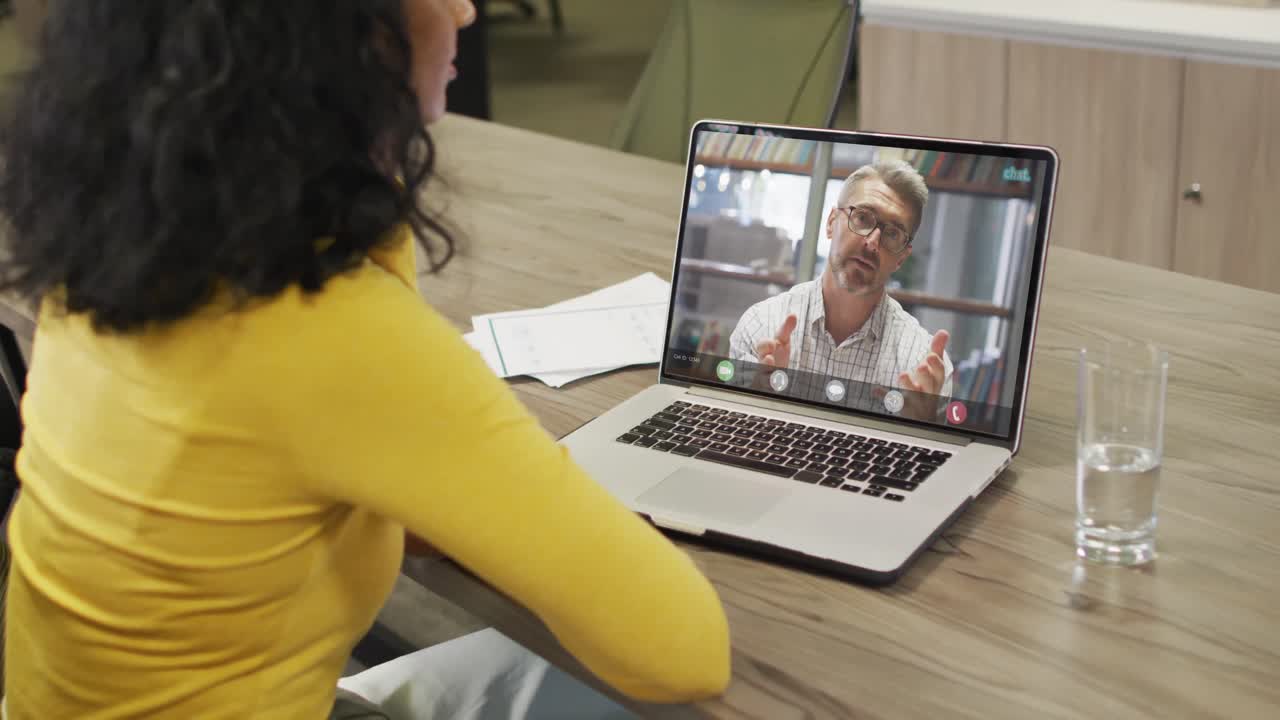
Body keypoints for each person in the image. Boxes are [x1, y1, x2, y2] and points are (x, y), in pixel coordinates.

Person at [0, 1, 730, 718]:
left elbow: (395, 507)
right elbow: (683, 651)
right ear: (337, 34)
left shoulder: (117, 255)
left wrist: (372, 168)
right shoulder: (324, 330)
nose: (465, 13)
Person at [728, 161, 953, 418]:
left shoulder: (924, 370)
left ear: (901, 257)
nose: (872, 242)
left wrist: (919, 431)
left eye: (892, 234)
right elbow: (731, 435)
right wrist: (757, 402)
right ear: (831, 223)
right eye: (863, 218)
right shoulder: (762, 327)